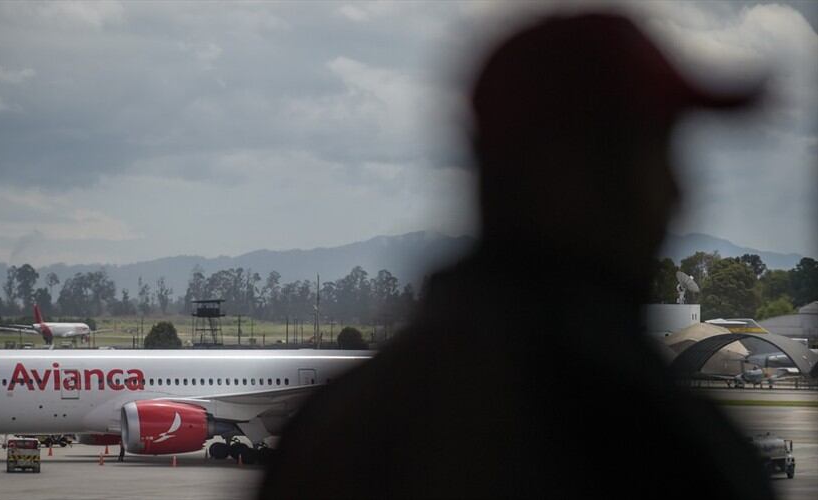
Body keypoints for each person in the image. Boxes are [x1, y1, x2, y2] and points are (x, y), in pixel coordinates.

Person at [260, 12, 774, 499]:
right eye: (652, 152)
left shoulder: (336, 428)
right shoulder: (664, 444)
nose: (676, 191)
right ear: (575, 173)